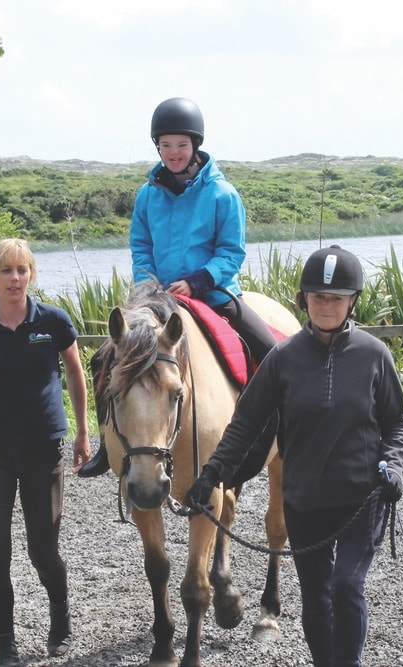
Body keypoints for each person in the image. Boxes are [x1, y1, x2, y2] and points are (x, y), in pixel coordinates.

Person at [186, 245, 403, 667]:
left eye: (336, 298)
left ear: (352, 302)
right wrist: (212, 473)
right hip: (305, 497)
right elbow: (246, 423)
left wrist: (394, 466)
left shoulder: (373, 355)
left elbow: (395, 421)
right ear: (304, 299)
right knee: (315, 599)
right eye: (318, 297)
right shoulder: (283, 358)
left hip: (362, 495)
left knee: (346, 585)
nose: (327, 306)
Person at [79, 96, 278, 478]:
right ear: (157, 146)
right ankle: (109, 445)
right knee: (102, 358)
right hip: (157, 299)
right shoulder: (147, 194)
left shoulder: (223, 195)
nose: (173, 153)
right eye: (166, 145)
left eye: (181, 145)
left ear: (195, 146)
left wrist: (199, 280)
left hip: (213, 294)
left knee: (271, 350)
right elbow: (141, 245)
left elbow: (231, 252)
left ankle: (280, 432)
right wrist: (147, 281)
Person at [0, 238, 91, 666]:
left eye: (22, 270)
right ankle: (5, 646)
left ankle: (60, 618)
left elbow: (75, 372)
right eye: (7, 270)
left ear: (31, 274)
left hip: (43, 448)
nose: (15, 278)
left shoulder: (52, 321)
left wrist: (82, 434)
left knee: (42, 551)